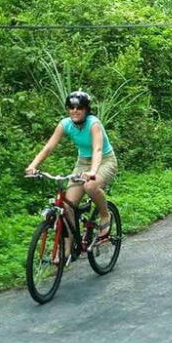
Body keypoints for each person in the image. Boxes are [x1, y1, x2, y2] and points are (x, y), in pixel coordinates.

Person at [25, 90, 118, 246]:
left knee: (90, 185)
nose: (75, 111)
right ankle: (68, 250)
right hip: (82, 162)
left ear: (86, 110)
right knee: (67, 205)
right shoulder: (65, 124)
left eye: (79, 108)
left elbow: (97, 150)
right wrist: (33, 166)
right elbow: (49, 147)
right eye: (71, 107)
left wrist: (93, 172)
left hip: (105, 161)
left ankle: (104, 215)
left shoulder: (93, 124)